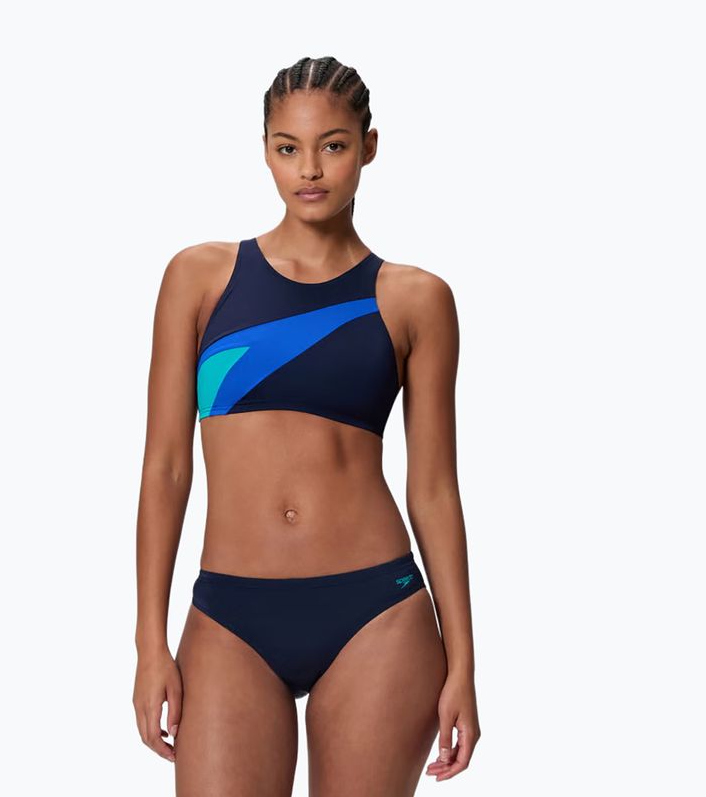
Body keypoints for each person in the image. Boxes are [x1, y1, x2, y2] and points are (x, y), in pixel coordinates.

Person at [133, 55, 481, 795]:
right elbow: (165, 468)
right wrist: (148, 643)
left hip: (378, 614)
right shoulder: (201, 277)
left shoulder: (415, 299)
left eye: (334, 145)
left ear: (369, 147)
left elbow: (434, 490)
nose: (310, 169)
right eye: (288, 147)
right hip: (230, 615)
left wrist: (464, 666)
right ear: (265, 150)